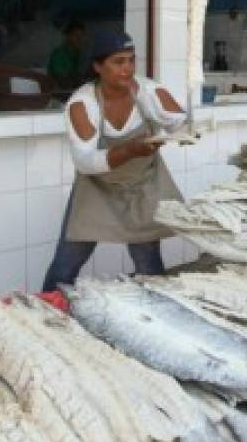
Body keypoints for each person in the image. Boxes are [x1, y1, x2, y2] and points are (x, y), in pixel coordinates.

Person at [41, 31, 186, 292]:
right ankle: (44, 315)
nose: (127, 69)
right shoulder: (82, 103)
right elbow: (85, 161)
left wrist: (176, 131)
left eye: (131, 60)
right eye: (118, 62)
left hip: (142, 186)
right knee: (66, 265)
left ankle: (157, 320)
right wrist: (129, 150)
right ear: (97, 66)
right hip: (97, 189)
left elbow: (180, 121)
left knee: (150, 265)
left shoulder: (149, 91)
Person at [47, 20, 87, 90]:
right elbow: (62, 81)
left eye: (82, 36)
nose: (79, 39)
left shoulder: (77, 54)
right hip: (57, 94)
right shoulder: (59, 54)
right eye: (76, 35)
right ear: (67, 36)